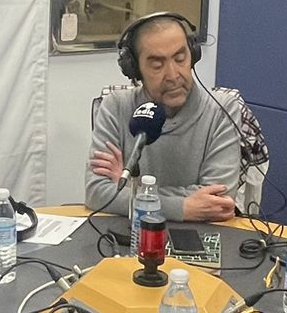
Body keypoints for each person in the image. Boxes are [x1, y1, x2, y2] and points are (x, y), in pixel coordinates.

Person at [86, 12, 241, 222]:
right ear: (135, 69)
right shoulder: (115, 106)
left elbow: (218, 201)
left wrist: (131, 188)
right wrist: (182, 207)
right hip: (131, 233)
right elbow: (96, 193)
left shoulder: (222, 110)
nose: (173, 75)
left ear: (193, 55)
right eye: (157, 65)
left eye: (180, 59)